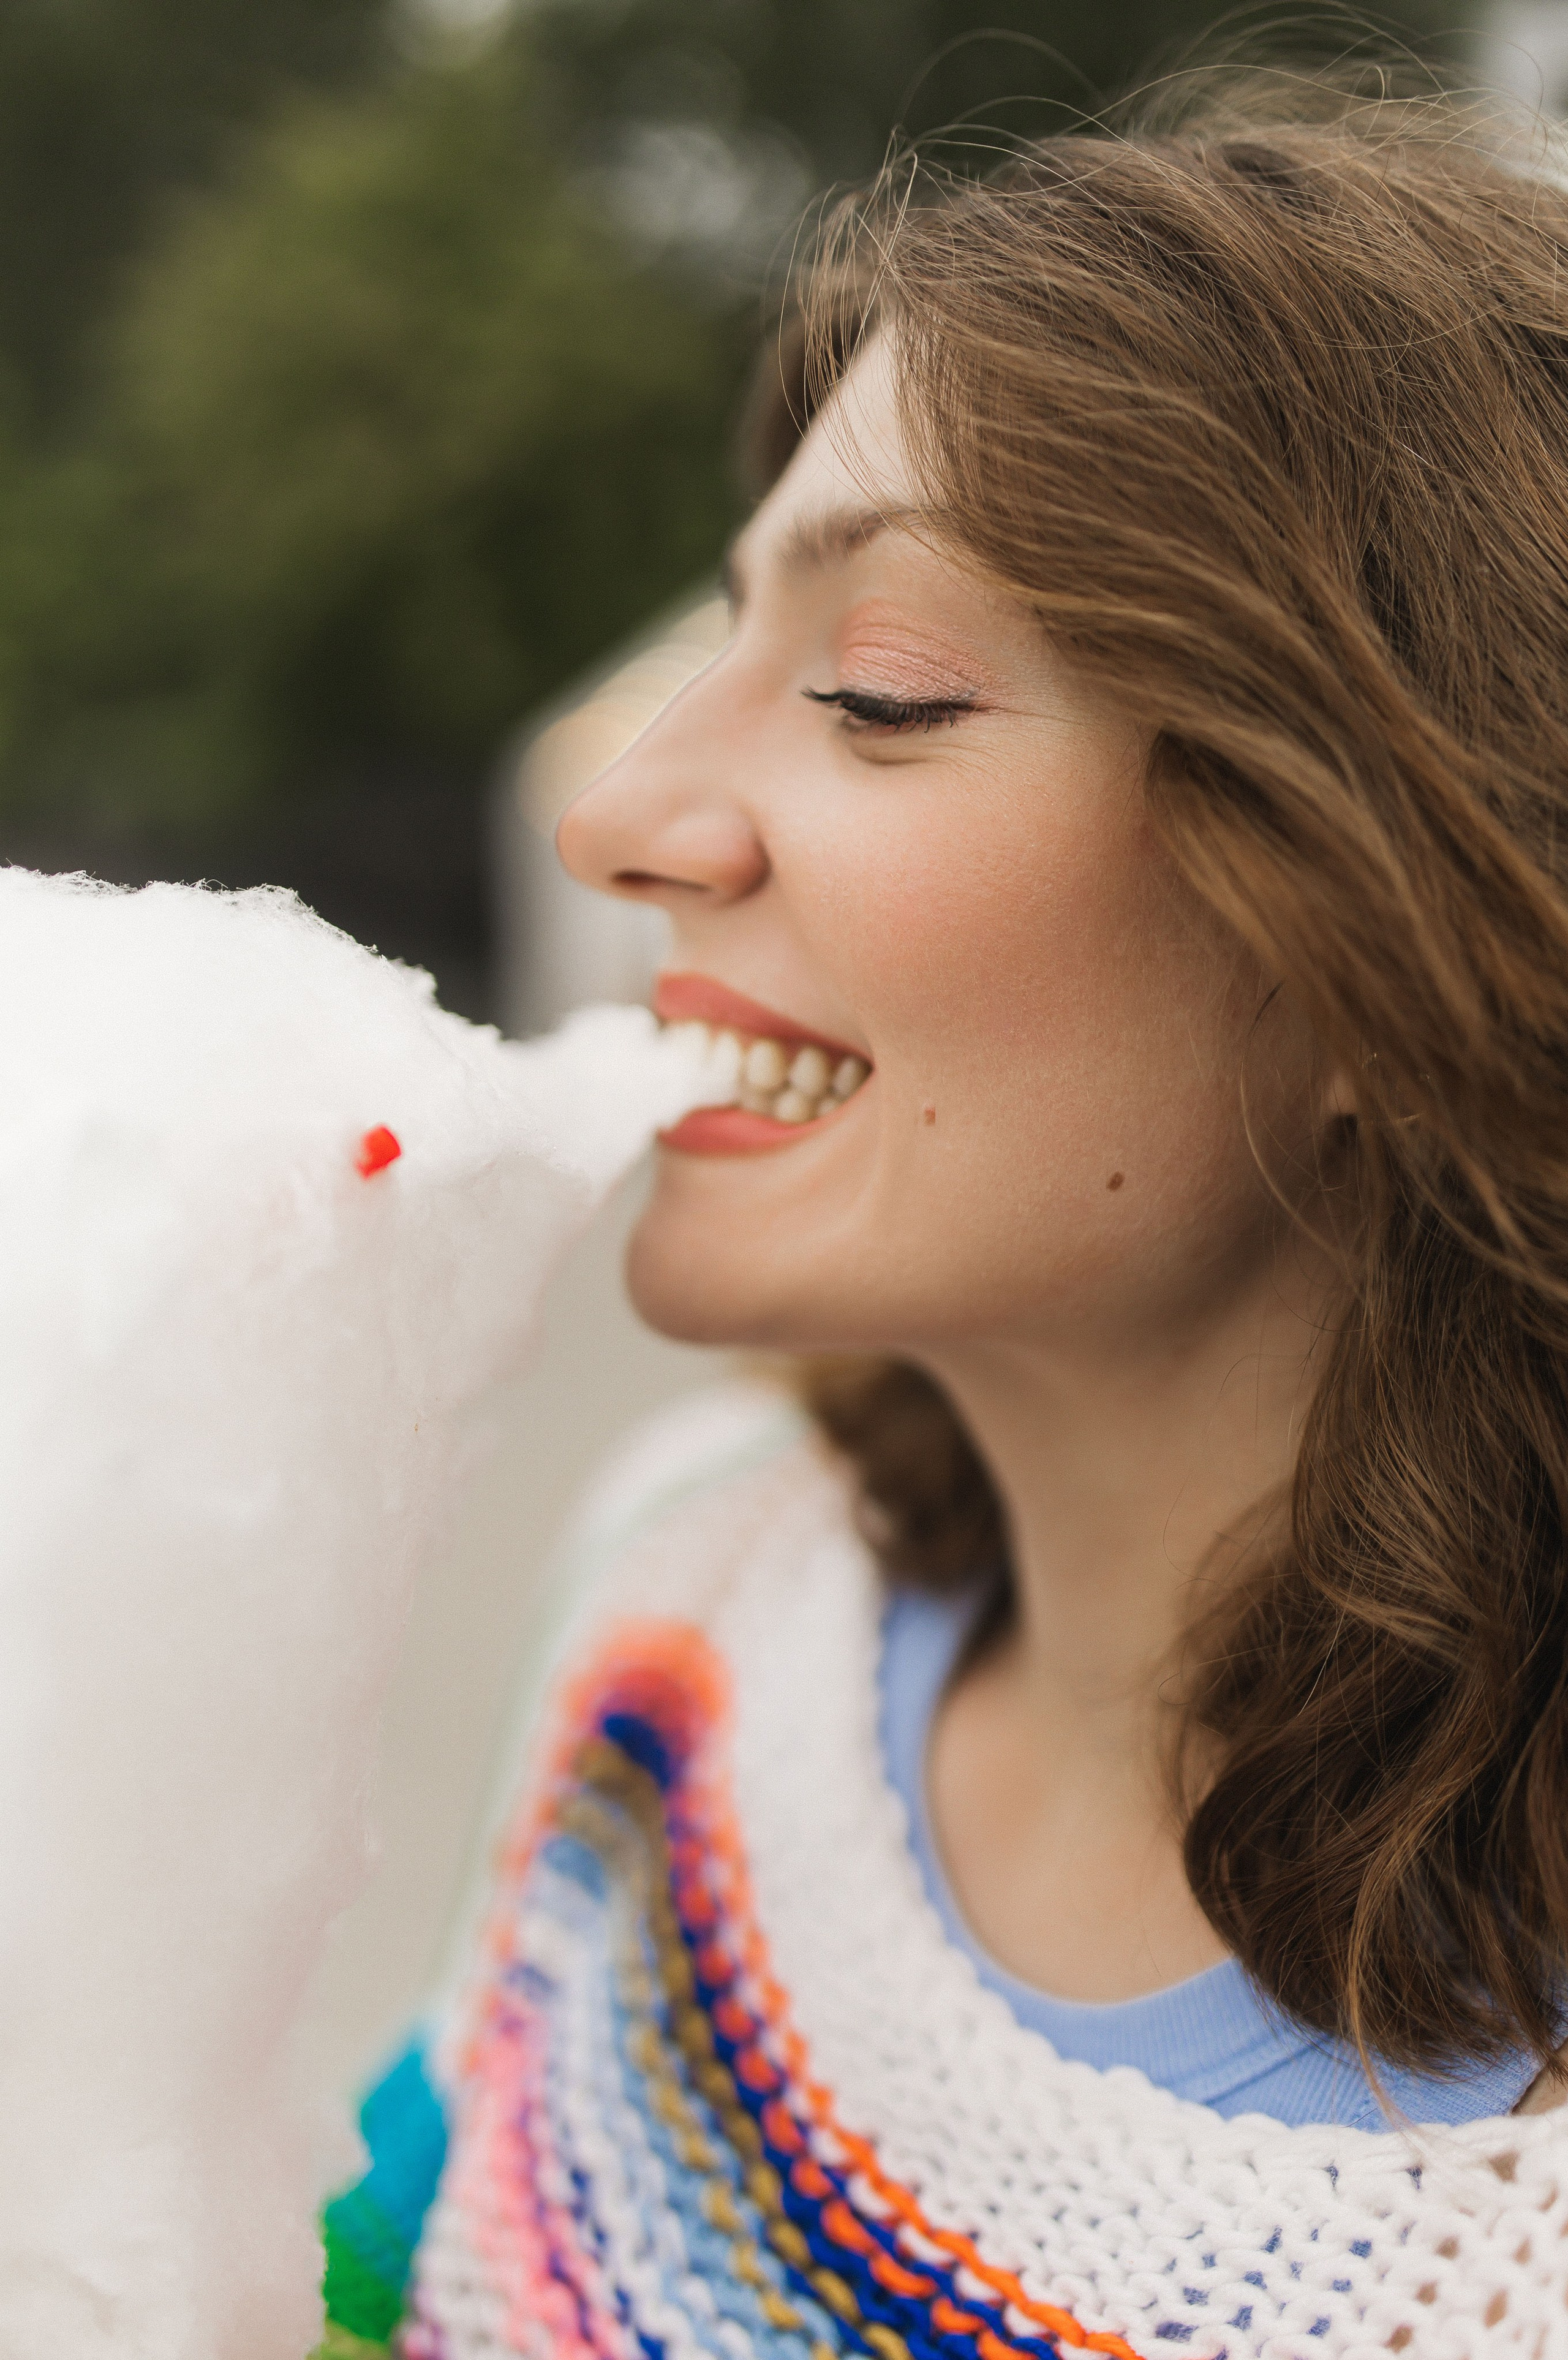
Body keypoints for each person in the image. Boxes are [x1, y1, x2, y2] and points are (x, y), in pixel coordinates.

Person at [317, 69, 1568, 2359]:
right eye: (722, 636)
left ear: (1401, 925)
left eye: (879, 690)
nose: (623, 808)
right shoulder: (678, 1592)